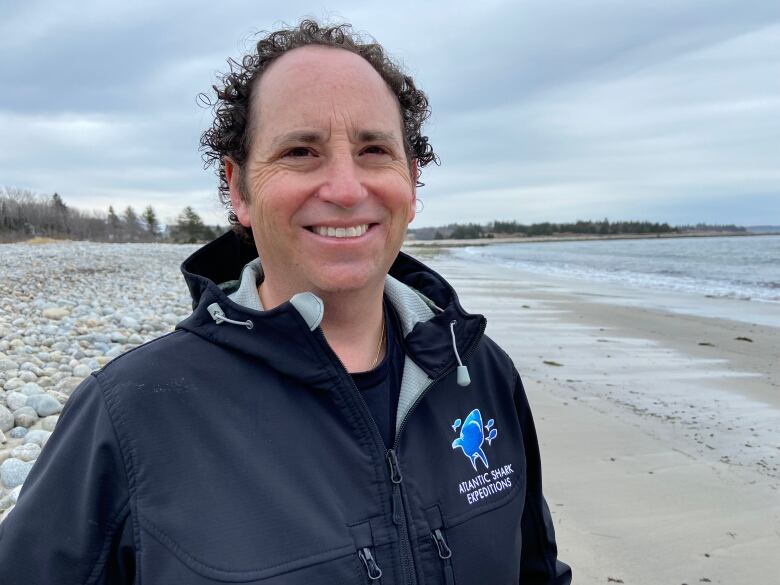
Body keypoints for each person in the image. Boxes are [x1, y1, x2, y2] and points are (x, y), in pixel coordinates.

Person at [0, 20, 571, 584]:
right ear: (239, 188)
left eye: (374, 149)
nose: (347, 189)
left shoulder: (480, 372)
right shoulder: (131, 414)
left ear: (413, 182)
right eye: (301, 151)